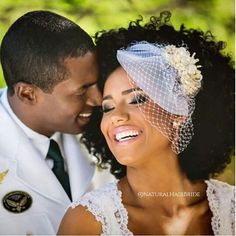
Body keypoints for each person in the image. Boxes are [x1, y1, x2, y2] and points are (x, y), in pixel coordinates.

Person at [58, 12, 235, 235]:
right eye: (107, 107)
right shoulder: (88, 221)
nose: (116, 116)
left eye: (137, 99)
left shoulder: (232, 210)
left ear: (180, 112)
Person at [0, 10, 113, 235]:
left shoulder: (107, 122)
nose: (99, 99)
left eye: (95, 82)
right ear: (27, 94)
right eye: (82, 91)